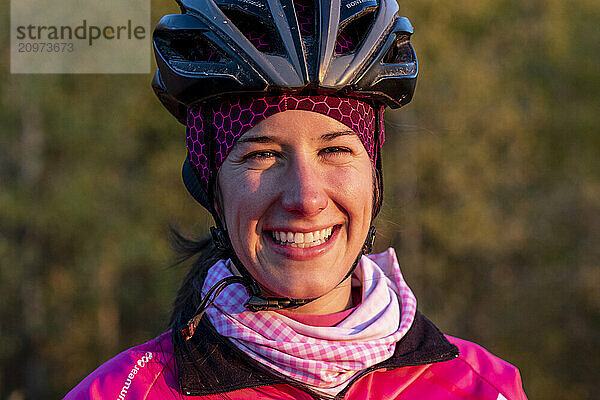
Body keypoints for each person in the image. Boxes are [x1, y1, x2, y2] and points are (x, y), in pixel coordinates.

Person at [65, 0, 528, 399]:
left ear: (373, 174)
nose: (305, 197)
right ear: (210, 180)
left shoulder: (483, 387)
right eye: (263, 154)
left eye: (335, 150)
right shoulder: (125, 392)